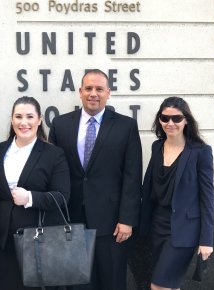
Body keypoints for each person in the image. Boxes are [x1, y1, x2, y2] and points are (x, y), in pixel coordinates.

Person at [49, 69, 142, 290]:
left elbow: (132, 174)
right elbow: (53, 172)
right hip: (71, 218)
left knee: (111, 280)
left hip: (111, 222)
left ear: (108, 93)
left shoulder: (126, 126)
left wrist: (127, 219)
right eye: (88, 88)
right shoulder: (60, 125)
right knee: (77, 283)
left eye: (99, 89)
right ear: (80, 92)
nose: (93, 93)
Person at [0, 96, 70, 290]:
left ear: (39, 119)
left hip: (37, 240)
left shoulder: (53, 154)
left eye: (29, 116)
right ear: (11, 119)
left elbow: (62, 196)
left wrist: (30, 198)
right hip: (1, 239)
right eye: (18, 116)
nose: (23, 122)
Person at [139, 96, 214, 290]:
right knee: (171, 286)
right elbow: (148, 187)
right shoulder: (157, 147)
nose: (170, 123)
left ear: (186, 120)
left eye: (176, 118)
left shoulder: (200, 151)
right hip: (158, 226)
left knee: (158, 286)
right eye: (165, 118)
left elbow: (207, 198)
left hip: (184, 231)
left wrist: (206, 240)